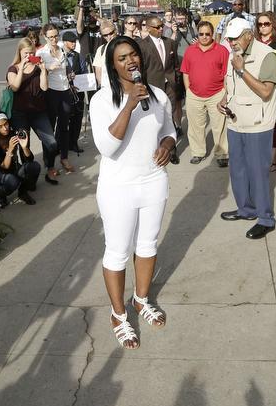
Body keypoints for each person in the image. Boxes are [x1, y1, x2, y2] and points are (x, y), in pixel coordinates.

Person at [90, 36, 176, 350]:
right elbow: (108, 146)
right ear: (113, 65)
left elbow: (168, 129)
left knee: (148, 244)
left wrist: (168, 144)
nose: (131, 61)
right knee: (118, 251)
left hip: (153, 180)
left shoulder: (156, 95)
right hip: (118, 188)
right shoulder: (101, 100)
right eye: (123, 58)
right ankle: (118, 314)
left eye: (134, 55)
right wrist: (128, 105)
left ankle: (141, 300)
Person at [217, 18, 276, 239]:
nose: (230, 42)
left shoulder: (267, 55)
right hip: (236, 121)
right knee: (238, 169)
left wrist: (242, 70)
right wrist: (225, 100)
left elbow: (265, 92)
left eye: (234, 39)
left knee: (257, 172)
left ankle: (265, 218)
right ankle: (246, 209)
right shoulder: (234, 54)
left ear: (248, 35)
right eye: (228, 39)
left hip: (257, 124)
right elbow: (231, 84)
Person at [5, 38, 61, 185]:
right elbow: (15, 87)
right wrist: (22, 68)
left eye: (31, 53)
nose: (29, 56)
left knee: (52, 143)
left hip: (39, 112)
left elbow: (44, 88)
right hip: (20, 113)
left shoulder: (37, 68)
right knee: (25, 146)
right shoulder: (13, 68)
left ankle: (50, 168)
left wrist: (43, 70)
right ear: (19, 52)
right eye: (25, 53)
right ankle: (29, 177)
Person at [179, 20, 230, 165]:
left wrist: (225, 93)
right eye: (201, 34)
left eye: (207, 34)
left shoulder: (222, 51)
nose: (204, 36)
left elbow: (226, 74)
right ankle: (198, 153)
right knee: (195, 126)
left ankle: (222, 155)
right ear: (198, 34)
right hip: (194, 95)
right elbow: (185, 73)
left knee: (219, 127)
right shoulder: (190, 50)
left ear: (212, 34)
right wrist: (188, 90)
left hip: (217, 95)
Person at [137, 16, 181, 164]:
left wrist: (175, 79)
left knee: (170, 116)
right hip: (153, 87)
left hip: (169, 85)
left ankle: (171, 150)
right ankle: (155, 149)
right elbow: (141, 69)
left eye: (162, 26)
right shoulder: (142, 45)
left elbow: (175, 65)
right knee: (155, 119)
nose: (161, 28)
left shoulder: (170, 43)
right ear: (148, 28)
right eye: (157, 27)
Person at [37, 24, 78, 174]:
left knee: (64, 127)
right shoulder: (42, 53)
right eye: (51, 37)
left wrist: (69, 74)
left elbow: (66, 67)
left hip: (65, 90)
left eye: (56, 36)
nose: (54, 39)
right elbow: (36, 76)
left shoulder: (61, 49)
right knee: (50, 130)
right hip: (51, 92)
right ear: (44, 37)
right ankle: (50, 165)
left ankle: (64, 157)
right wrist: (47, 69)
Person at [0, 112, 41, 209]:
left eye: (6, 124)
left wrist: (24, 147)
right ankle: (1, 193)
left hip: (14, 168)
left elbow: (30, 159)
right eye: (0, 126)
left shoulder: (12, 134)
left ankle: (23, 192)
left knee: (34, 166)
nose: (5, 128)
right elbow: (4, 166)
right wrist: (10, 149)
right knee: (12, 180)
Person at [254, 11, 276, 173]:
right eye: (260, 24)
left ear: (272, 24)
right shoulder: (253, 42)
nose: (263, 27)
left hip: (274, 89)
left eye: (266, 24)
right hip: (254, 89)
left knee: (274, 122)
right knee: (258, 122)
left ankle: (272, 158)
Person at [61, 30, 88, 154]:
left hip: (78, 93)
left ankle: (74, 143)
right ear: (65, 42)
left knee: (77, 119)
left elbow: (84, 72)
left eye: (75, 41)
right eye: (71, 42)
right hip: (64, 93)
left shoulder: (78, 56)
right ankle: (63, 145)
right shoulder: (60, 55)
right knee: (64, 120)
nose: (74, 44)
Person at [92, 19, 119, 86]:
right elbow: (98, 71)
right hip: (107, 86)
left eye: (111, 33)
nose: (109, 37)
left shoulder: (124, 45)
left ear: (115, 31)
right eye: (105, 35)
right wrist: (102, 86)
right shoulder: (101, 49)